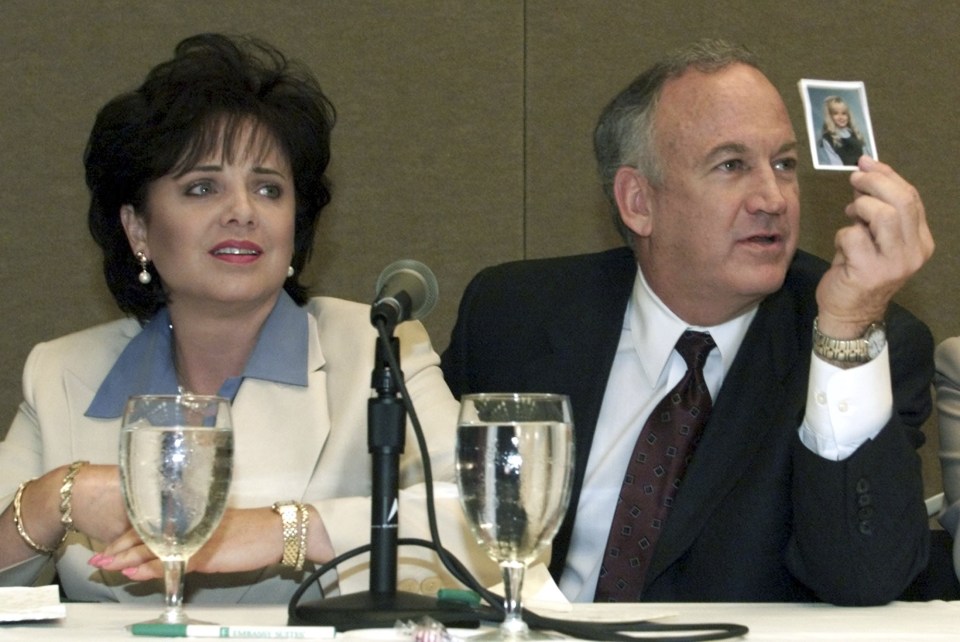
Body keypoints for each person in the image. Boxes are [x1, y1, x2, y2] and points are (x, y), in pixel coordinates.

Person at [0, 33, 496, 604]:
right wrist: (53, 499)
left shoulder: (376, 350)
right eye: (202, 187)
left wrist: (282, 530)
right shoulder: (62, 372)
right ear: (138, 229)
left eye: (268, 188)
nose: (242, 211)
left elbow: (486, 519)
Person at [442, 39, 935, 606]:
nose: (773, 198)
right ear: (637, 202)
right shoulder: (512, 314)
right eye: (731, 165)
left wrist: (848, 327)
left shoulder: (863, 343)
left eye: (784, 164)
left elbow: (863, 578)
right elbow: (430, 519)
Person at [819, 95, 869, 166]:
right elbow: (835, 164)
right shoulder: (828, 138)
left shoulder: (856, 134)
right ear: (830, 116)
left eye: (844, 113)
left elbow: (867, 158)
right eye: (836, 113)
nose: (841, 117)